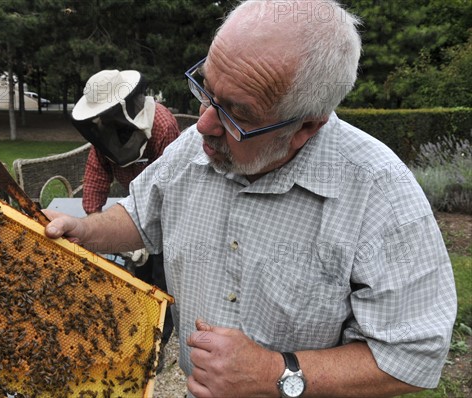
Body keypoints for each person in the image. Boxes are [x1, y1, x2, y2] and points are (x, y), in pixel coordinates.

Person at [45, 1, 457, 397]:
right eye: (206, 91)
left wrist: (274, 374)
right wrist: (83, 230)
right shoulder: (193, 148)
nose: (204, 124)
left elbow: (411, 355)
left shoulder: (380, 193)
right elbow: (140, 214)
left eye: (237, 113)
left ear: (306, 126)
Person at [70, 69, 180, 352]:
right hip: (133, 206)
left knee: (162, 274)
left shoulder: (162, 125)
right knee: (139, 276)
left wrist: (146, 235)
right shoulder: (103, 133)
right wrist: (94, 224)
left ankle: (160, 340)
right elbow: (95, 180)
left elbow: (170, 191)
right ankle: (141, 332)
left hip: (167, 209)